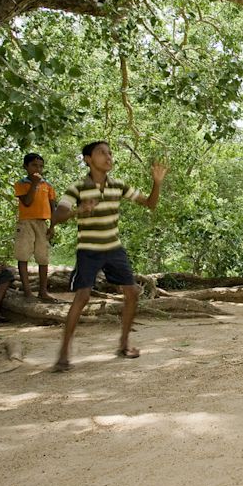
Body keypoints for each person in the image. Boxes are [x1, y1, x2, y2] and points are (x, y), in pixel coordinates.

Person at [51, 141, 167, 371]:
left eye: (110, 153)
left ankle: (124, 344)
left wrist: (157, 182)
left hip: (113, 248)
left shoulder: (118, 185)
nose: (108, 156)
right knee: (82, 296)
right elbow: (57, 216)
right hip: (89, 250)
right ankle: (63, 354)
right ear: (87, 159)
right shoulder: (77, 188)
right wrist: (78, 210)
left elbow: (150, 204)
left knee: (132, 291)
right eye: (101, 153)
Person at [14, 152, 58, 303]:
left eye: (40, 166)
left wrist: (52, 226)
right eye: (34, 165)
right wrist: (34, 183)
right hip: (25, 223)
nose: (38, 169)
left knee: (43, 257)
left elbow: (53, 208)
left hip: (42, 223)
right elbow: (26, 202)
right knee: (23, 256)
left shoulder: (47, 186)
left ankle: (43, 292)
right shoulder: (21, 183)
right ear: (25, 166)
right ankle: (27, 292)